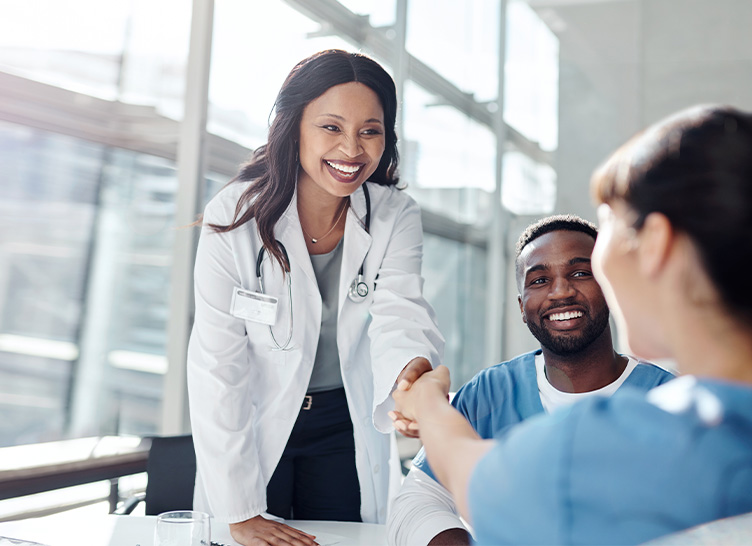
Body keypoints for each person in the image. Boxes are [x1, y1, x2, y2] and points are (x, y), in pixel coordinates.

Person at [393, 104, 752, 544]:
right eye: (540, 279)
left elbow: (481, 483)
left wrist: (428, 404)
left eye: (609, 224)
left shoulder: (631, 438)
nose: (562, 290)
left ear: (656, 244)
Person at [187, 49, 444, 546]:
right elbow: (218, 364)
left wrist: (411, 377)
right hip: (255, 418)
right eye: (331, 127)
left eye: (370, 130)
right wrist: (239, 511)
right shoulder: (235, 216)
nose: (352, 149)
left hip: (342, 424)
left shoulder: (393, 215)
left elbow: (401, 313)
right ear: (294, 126)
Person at [386, 215, 674, 545]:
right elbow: (418, 499)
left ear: (610, 288)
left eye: (580, 273)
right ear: (523, 307)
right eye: (539, 280)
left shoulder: (669, 401)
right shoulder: (489, 393)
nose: (561, 292)